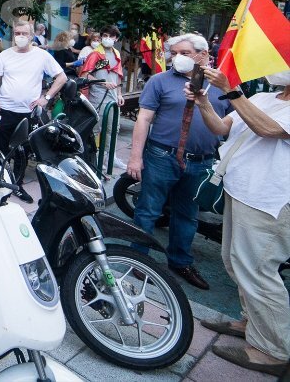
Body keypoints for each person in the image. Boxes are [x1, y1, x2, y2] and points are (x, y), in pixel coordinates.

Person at [187, 67, 290, 376]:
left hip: (270, 201)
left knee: (258, 270)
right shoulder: (263, 96)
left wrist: (231, 90)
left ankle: (273, 350)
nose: (278, 66)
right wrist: (204, 101)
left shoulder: (254, 100)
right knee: (235, 262)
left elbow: (269, 129)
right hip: (241, 191)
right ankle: (252, 323)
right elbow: (221, 128)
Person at [125, 33, 231, 290]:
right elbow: (143, 119)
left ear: (204, 54)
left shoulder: (222, 85)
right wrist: (135, 157)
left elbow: (234, 123)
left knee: (188, 214)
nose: (177, 58)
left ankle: (180, 261)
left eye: (184, 53)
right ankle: (138, 259)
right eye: (174, 53)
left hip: (202, 162)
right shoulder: (160, 81)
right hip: (162, 156)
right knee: (148, 209)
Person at [0, 20, 67, 156]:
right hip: (5, 110)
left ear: (31, 35)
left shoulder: (42, 56)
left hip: (29, 111)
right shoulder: (5, 55)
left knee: (23, 151)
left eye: (24, 33)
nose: (20, 36)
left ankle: (19, 177)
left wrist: (46, 97)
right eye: (17, 33)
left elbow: (62, 77)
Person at [78, 25, 125, 110]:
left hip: (114, 97)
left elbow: (118, 75)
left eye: (111, 36)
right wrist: (103, 83)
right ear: (102, 37)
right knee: (101, 123)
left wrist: (119, 94)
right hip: (98, 97)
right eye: (105, 35)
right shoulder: (95, 54)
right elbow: (85, 75)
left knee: (113, 123)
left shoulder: (117, 53)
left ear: (116, 38)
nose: (108, 38)